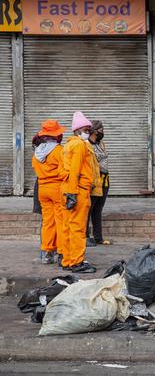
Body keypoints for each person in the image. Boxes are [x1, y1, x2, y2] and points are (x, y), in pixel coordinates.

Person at [61, 111, 99, 274]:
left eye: (89, 130)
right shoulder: (79, 145)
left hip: (69, 189)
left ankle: (67, 260)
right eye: (86, 130)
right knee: (77, 228)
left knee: (68, 226)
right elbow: (75, 169)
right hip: (77, 190)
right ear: (78, 130)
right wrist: (73, 193)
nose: (88, 133)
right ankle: (76, 262)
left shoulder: (69, 144)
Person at [31, 120, 67, 265]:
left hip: (42, 189)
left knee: (47, 222)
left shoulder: (37, 153)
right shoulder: (59, 151)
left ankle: (46, 253)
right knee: (60, 221)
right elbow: (65, 170)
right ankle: (61, 252)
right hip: (56, 189)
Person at [86, 120, 110, 246]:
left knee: (98, 210)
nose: (103, 132)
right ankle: (85, 237)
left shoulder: (102, 144)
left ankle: (98, 237)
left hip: (105, 180)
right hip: (94, 181)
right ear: (95, 131)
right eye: (101, 130)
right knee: (88, 210)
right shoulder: (86, 145)